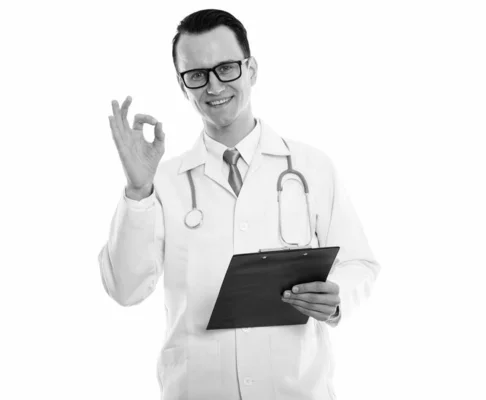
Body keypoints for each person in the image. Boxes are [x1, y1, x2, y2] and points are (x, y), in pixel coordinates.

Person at [99, 8, 380, 400]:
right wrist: (136, 189)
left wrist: (336, 297)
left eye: (226, 68)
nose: (213, 86)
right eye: (196, 75)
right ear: (183, 86)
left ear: (251, 69)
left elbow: (360, 264)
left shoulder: (312, 167)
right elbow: (125, 289)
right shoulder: (161, 182)